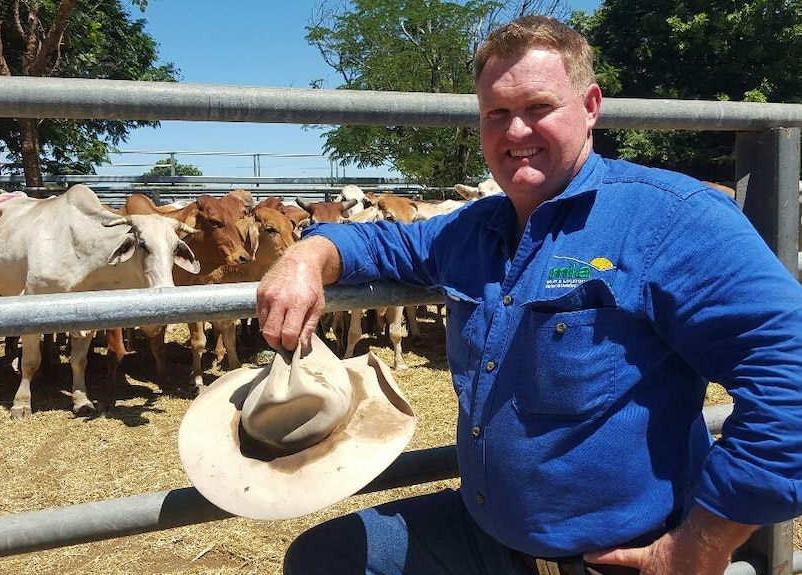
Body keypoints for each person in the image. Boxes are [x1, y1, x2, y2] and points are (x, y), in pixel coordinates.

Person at [255, 14, 802, 575]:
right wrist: (305, 256)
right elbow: (379, 241)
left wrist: (701, 544)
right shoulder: (472, 230)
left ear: (590, 106)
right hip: (486, 537)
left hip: (617, 556)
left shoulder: (670, 221)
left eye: (539, 108)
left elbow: (793, 382)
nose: (515, 132)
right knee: (323, 557)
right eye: (497, 113)